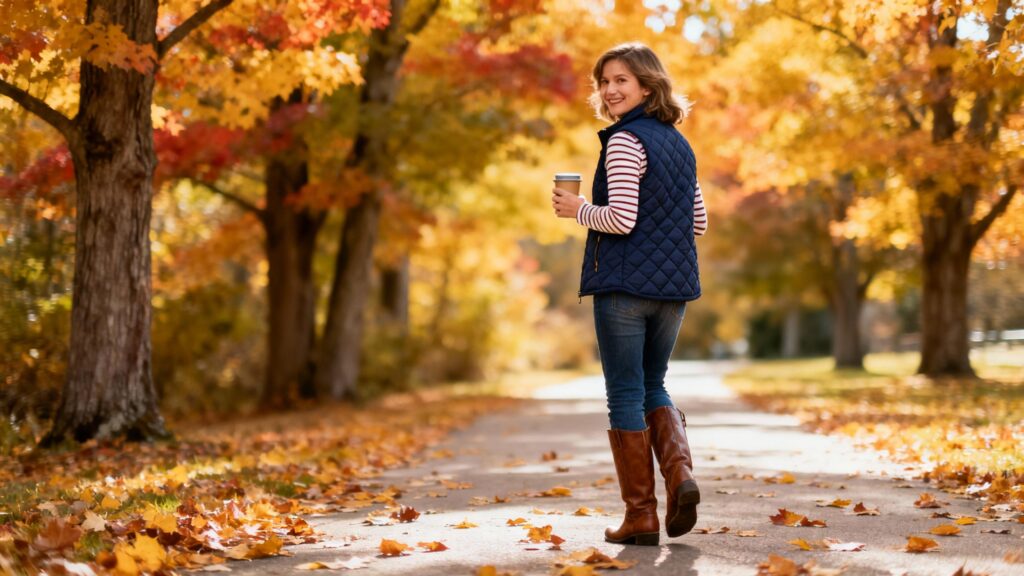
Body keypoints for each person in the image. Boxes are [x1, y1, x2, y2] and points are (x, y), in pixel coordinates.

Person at [551, 42, 708, 546]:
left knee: (624, 393)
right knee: (652, 385)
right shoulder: (680, 145)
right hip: (673, 291)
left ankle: (640, 516)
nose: (610, 90)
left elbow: (619, 219)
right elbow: (698, 223)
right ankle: (680, 477)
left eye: (621, 80)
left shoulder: (623, 141)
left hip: (624, 288)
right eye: (604, 82)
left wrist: (577, 208)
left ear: (647, 84)